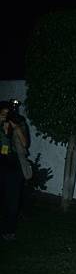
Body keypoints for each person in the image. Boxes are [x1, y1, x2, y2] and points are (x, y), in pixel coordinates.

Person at [0, 100, 30, 241]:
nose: (5, 116)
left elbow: (25, 144)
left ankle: (9, 231)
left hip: (14, 166)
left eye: (8, 113)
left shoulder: (18, 123)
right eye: (3, 113)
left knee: (12, 201)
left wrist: (15, 129)